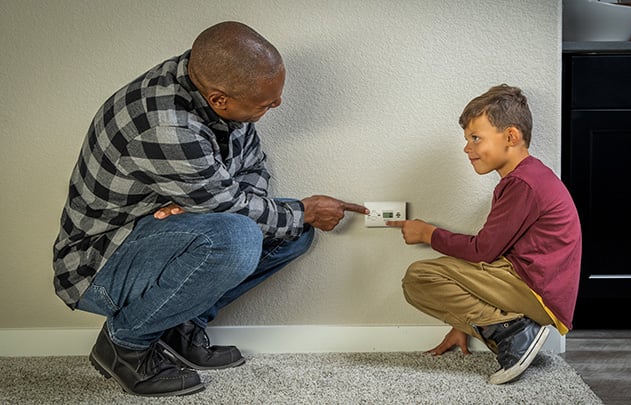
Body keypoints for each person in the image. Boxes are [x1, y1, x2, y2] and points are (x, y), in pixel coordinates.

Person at [52, 21, 368, 397]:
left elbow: (253, 168)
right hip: (99, 265)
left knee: (291, 230)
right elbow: (231, 205)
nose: (277, 105)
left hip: (156, 236)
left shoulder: (216, 93)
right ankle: (125, 346)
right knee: (239, 237)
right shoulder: (165, 122)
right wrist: (293, 209)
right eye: (267, 103)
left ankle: (177, 325)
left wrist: (200, 206)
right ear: (220, 98)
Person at [387, 84, 581, 385]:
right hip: (531, 283)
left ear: (511, 137)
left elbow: (483, 251)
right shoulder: (528, 177)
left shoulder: (523, 184)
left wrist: (428, 233)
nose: (467, 148)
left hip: (537, 291)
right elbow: (495, 254)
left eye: (476, 138)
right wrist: (464, 324)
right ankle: (507, 329)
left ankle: (515, 334)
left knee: (420, 277)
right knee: (438, 274)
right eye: (467, 139)